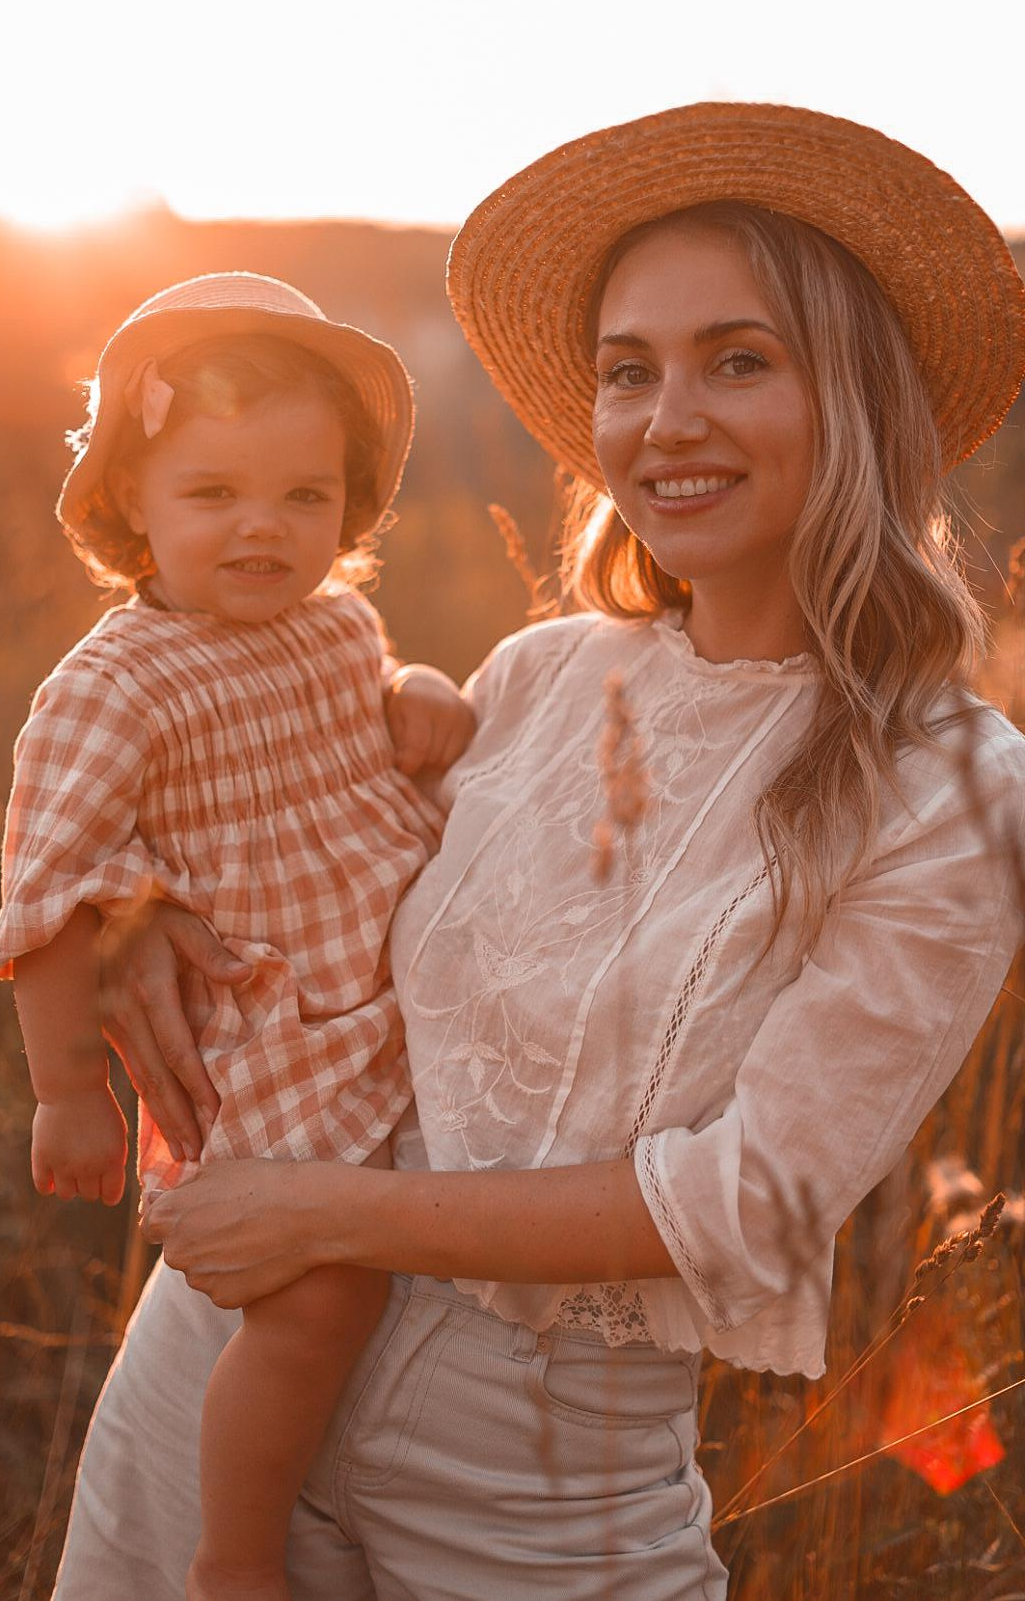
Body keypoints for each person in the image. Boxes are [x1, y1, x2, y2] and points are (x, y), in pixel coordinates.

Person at [54, 107, 1025, 1600]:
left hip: (541, 1485)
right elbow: (318, 874)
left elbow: (755, 1196)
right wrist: (137, 920)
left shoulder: (955, 786)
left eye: (739, 360)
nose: (664, 418)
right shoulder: (544, 675)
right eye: (630, 371)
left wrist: (336, 1212)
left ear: (862, 399)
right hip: (222, 1378)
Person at [0, 271, 474, 1601]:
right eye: (212, 496)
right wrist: (65, 1093)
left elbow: (373, 702)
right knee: (317, 1301)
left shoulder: (336, 623)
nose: (263, 528)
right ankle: (233, 1553)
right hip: (273, 1019)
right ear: (130, 508)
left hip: (392, 973)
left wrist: (419, 687)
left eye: (303, 497)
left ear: (348, 507)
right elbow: (47, 900)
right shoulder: (113, 684)